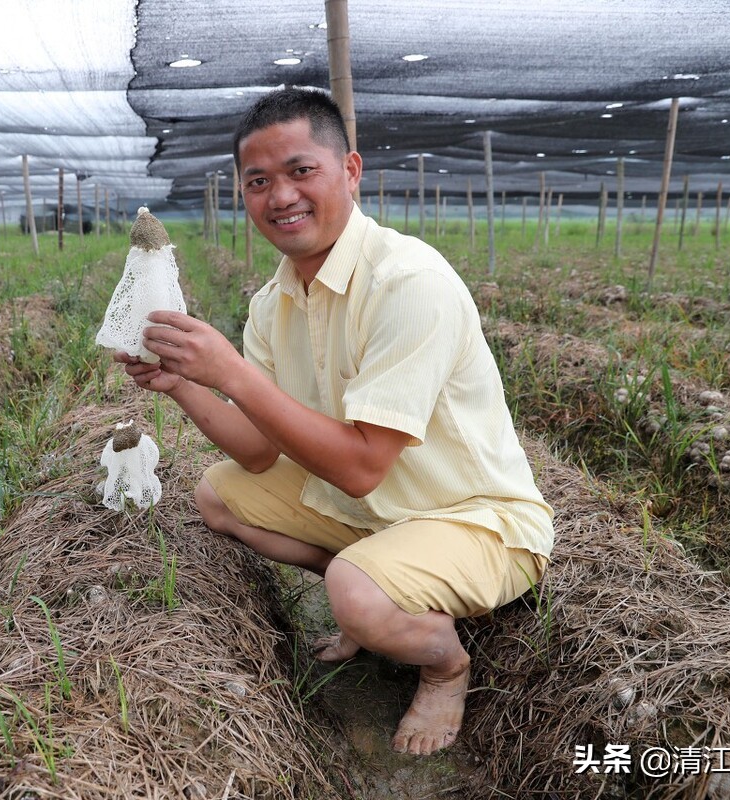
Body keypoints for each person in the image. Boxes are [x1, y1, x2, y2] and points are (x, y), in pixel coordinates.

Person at [115, 87, 554, 756]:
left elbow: (358, 467)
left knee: (356, 591)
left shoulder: (409, 282)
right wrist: (182, 384)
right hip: (385, 512)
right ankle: (375, 589)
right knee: (219, 494)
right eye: (258, 181)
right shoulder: (273, 302)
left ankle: (443, 664)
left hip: (477, 520)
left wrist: (233, 372)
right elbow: (260, 454)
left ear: (349, 171)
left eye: (300, 171)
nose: (280, 196)